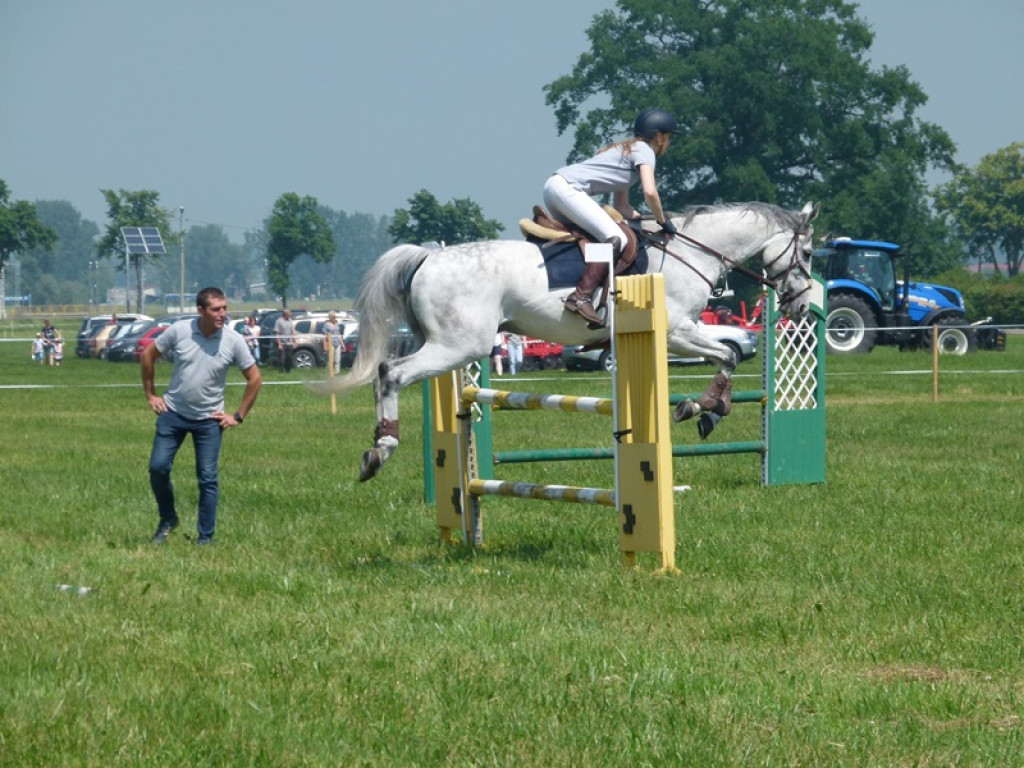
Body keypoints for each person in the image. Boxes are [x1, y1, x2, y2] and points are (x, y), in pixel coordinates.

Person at [141, 286, 262, 545]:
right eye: (216, 309)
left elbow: (254, 379)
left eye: (225, 309)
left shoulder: (233, 340)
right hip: (173, 413)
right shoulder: (180, 330)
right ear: (200, 310)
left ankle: (205, 538)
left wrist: (237, 416)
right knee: (158, 468)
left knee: (207, 478)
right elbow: (148, 355)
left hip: (209, 420)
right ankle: (168, 518)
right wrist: (151, 395)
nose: (222, 314)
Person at [543, 107, 680, 326]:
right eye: (668, 137)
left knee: (596, 238)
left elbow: (622, 207)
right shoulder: (645, 150)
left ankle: (583, 286)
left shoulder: (627, 150)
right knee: (618, 239)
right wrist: (663, 221)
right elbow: (650, 192)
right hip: (568, 189)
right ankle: (581, 296)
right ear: (658, 136)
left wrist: (646, 219)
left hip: (555, 188)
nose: (668, 143)